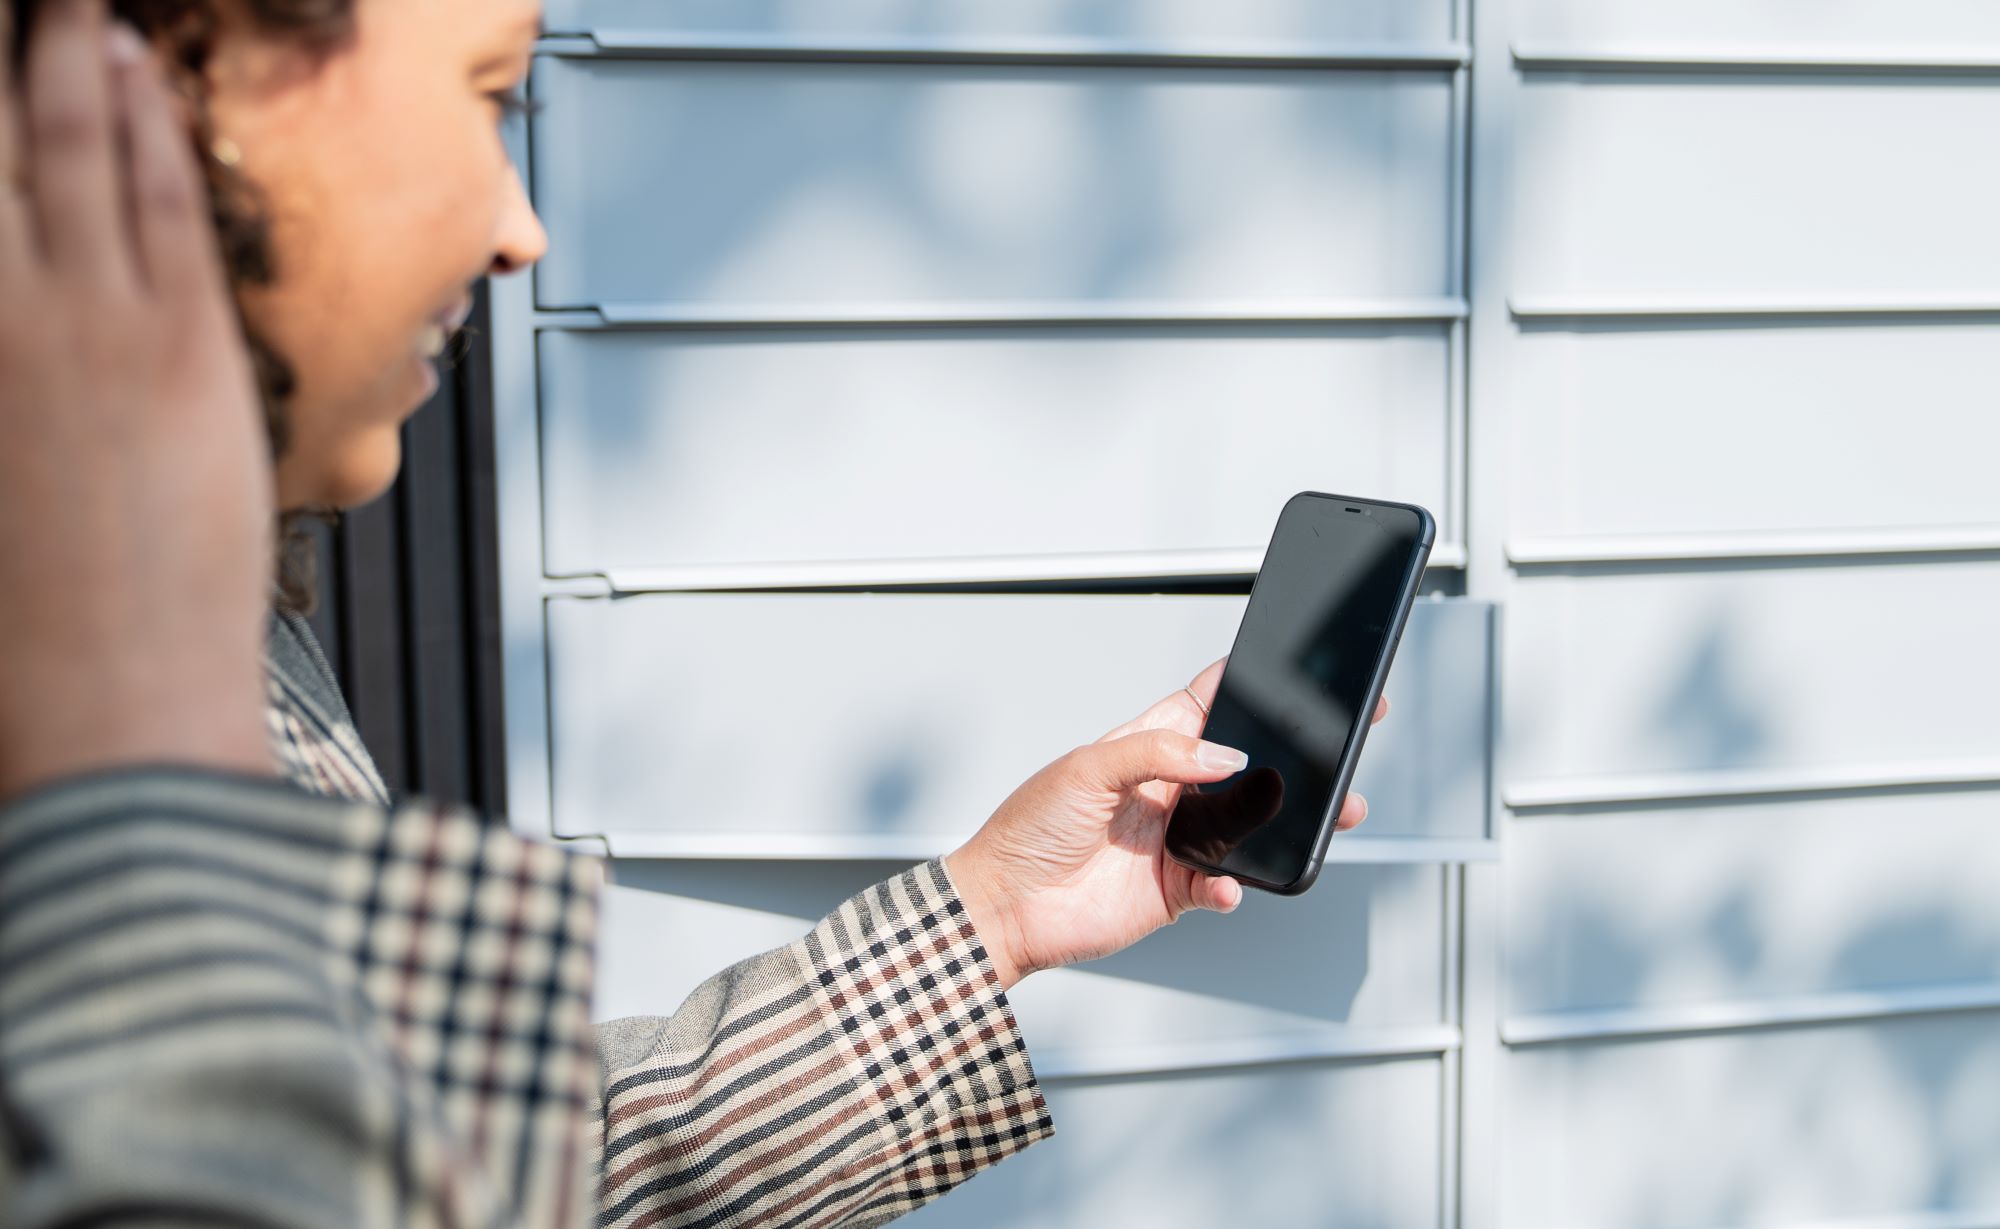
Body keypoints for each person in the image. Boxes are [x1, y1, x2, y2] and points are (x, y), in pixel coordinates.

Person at [0, 0, 1382, 1225]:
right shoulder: (107, 692)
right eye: (485, 93)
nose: (519, 231)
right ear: (167, 106)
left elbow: (481, 1179)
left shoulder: (203, 636)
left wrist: (997, 916)